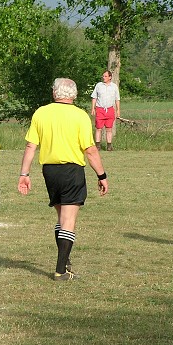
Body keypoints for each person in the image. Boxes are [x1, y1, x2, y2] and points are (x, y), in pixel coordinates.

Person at [18, 78, 108, 280]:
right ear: (74, 95)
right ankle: (61, 270)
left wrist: (24, 174)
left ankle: (65, 260)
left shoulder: (41, 112)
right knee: (68, 220)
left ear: (54, 93)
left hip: (49, 171)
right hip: (72, 170)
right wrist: (102, 175)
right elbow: (91, 150)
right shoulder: (80, 115)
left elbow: (31, 146)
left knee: (61, 218)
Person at [91, 70, 120, 151]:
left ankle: (109, 146)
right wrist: (93, 108)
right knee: (98, 128)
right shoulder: (98, 85)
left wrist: (118, 110)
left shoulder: (114, 86)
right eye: (103, 76)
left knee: (109, 128)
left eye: (105, 76)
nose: (104, 77)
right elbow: (94, 97)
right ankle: (97, 146)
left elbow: (117, 99)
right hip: (100, 109)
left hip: (110, 109)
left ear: (110, 77)